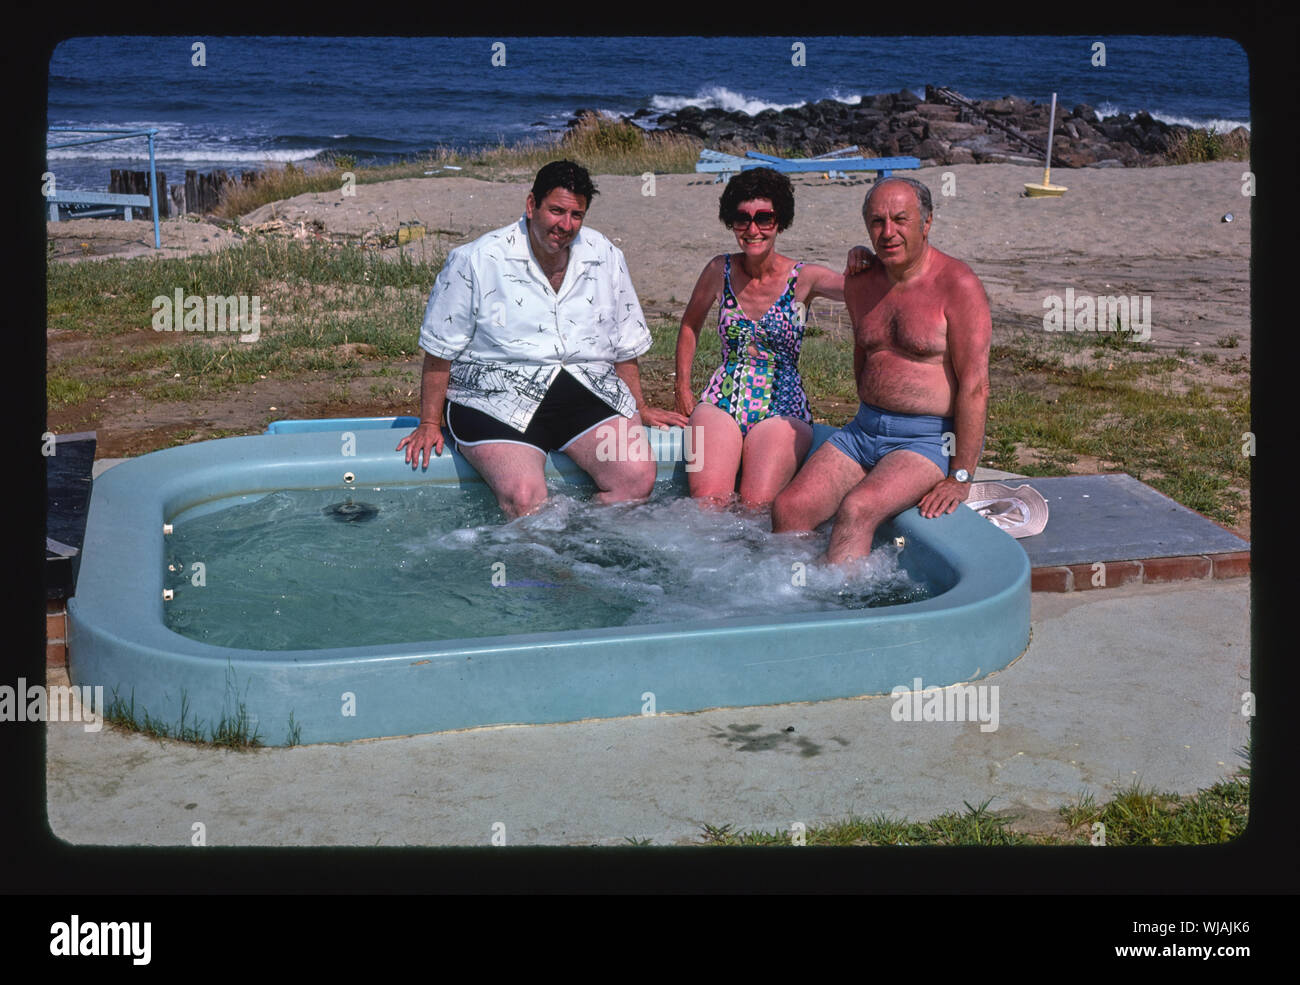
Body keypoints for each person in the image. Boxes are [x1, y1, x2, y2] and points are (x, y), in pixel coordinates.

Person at [397, 160, 687, 517]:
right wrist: (428, 422)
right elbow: (439, 350)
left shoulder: (605, 255)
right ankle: (540, 569)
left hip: (586, 386)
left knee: (636, 478)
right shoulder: (476, 259)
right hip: (493, 394)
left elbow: (624, 343)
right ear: (531, 204)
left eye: (576, 215)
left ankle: (582, 552)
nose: (565, 225)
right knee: (524, 497)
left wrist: (639, 407)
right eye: (556, 211)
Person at [772, 176, 992, 564]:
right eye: (877, 222)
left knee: (858, 509)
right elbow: (864, 353)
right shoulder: (861, 283)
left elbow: (975, 387)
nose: (887, 232)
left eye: (900, 220)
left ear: (926, 223)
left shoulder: (958, 285)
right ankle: (781, 601)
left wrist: (960, 476)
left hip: (927, 441)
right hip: (862, 431)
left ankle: (836, 612)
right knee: (790, 508)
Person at [672, 167, 864, 508]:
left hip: (782, 407)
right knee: (706, 505)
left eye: (765, 218)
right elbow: (689, 324)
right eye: (742, 219)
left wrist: (863, 257)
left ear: (781, 220)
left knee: (757, 508)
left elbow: (860, 289)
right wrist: (683, 389)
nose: (753, 229)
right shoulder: (720, 270)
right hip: (722, 398)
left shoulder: (804, 278)